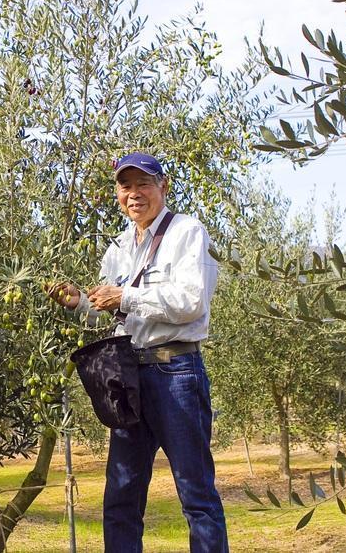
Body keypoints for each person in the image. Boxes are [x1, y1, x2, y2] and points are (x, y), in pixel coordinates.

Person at [49, 152, 228, 552]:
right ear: (117, 193)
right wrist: (80, 301)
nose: (134, 194)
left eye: (143, 184)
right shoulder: (118, 247)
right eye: (125, 186)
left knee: (196, 493)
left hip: (175, 371)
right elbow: (110, 312)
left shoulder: (187, 232)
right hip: (129, 376)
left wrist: (125, 295)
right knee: (121, 496)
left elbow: (191, 301)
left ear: (163, 186)